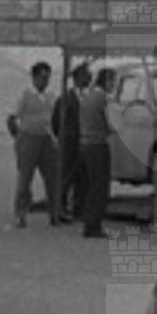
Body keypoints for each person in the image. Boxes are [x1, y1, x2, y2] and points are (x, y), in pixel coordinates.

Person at [7, 61, 60, 227]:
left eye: (47, 77)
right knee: (25, 179)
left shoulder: (51, 96)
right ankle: (20, 214)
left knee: (52, 178)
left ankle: (55, 213)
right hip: (28, 137)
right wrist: (19, 137)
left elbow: (55, 117)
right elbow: (11, 118)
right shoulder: (25, 95)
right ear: (34, 77)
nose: (45, 81)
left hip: (46, 138)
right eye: (42, 77)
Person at [79, 67, 114, 239]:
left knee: (91, 185)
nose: (113, 85)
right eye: (112, 81)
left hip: (86, 144)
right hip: (98, 144)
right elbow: (110, 122)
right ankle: (94, 226)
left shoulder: (88, 96)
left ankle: (89, 223)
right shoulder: (102, 98)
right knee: (100, 186)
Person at [53, 63, 87, 223]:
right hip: (69, 143)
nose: (89, 78)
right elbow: (56, 121)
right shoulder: (65, 99)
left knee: (82, 177)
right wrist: (64, 137)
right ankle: (60, 208)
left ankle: (78, 209)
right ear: (78, 77)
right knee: (65, 176)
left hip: (83, 142)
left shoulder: (87, 97)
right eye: (86, 75)